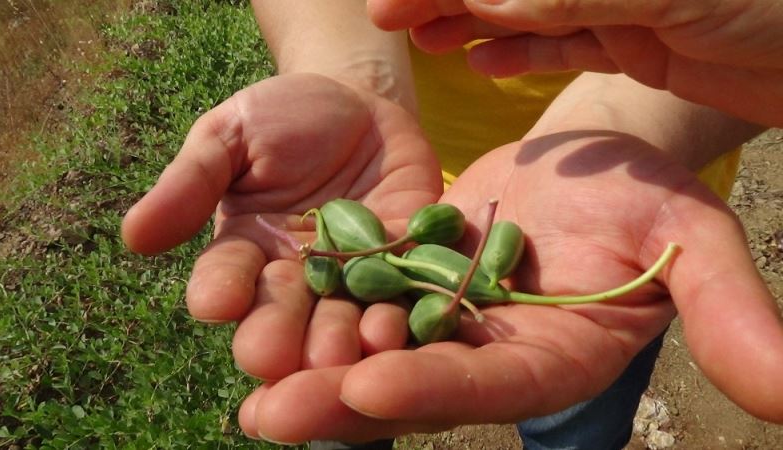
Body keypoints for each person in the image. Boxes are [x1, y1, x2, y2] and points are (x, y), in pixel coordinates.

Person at [120, 0, 783, 448]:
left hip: (600, 217)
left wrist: (627, 122)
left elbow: (750, 39)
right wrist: (350, 75)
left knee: (573, 420)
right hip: (380, 166)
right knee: (341, 394)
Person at [367, 0, 783, 128]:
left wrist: (617, 125)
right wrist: (362, 80)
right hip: (403, 154)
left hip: (651, 152)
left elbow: (742, 60)